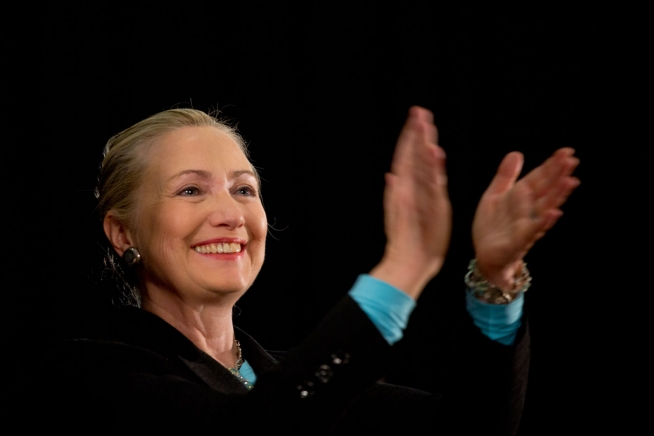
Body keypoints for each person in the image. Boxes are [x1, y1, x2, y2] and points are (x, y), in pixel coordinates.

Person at [47, 106, 579, 434]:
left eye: (244, 189)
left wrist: (497, 279)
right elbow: (263, 430)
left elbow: (472, 427)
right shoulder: (92, 378)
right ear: (123, 233)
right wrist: (406, 266)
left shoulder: (293, 376)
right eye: (190, 189)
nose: (231, 215)